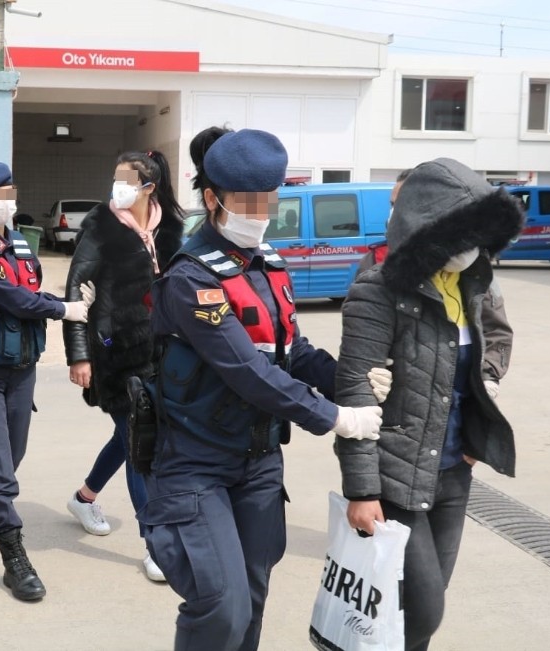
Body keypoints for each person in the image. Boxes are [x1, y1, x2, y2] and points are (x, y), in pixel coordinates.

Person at [138, 128, 385, 651]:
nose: (259, 212)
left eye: (267, 200)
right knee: (221, 607)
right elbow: (247, 370)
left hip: (259, 462)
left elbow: (293, 352)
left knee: (251, 601)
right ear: (212, 199)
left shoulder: (269, 265)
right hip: (196, 460)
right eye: (245, 201)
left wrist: (353, 381)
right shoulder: (193, 278)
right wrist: (334, 417)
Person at [335, 157, 523, 651]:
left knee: (416, 613)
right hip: (396, 477)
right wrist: (361, 490)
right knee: (424, 610)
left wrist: (487, 387)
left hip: (454, 471)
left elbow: (489, 350)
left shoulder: (471, 286)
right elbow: (355, 391)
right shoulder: (376, 291)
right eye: (461, 234)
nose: (470, 249)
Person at [0, 162, 94, 602]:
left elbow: (31, 294)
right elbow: (10, 298)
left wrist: (65, 302)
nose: (7, 202)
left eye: (10, 192)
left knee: (11, 457)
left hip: (20, 370)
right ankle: (14, 557)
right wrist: (62, 310)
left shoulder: (20, 246)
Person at [62, 150, 184, 582]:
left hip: (158, 352)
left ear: (149, 187)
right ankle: (155, 543)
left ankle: (84, 495)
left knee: (130, 432)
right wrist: (79, 354)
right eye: (116, 178)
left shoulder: (169, 226)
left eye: (127, 179)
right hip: (111, 350)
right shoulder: (100, 225)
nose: (118, 187)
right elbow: (76, 286)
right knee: (139, 440)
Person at [355, 167, 514, 389]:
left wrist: (489, 375)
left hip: (463, 396)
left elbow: (497, 330)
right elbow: (361, 337)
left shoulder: (472, 266)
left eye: (402, 204)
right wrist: (370, 369)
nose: (395, 213)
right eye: (393, 205)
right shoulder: (374, 263)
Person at [355, 168, 412, 273]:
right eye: (392, 204)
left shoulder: (449, 263)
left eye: (400, 203)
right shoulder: (374, 260)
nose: (393, 211)